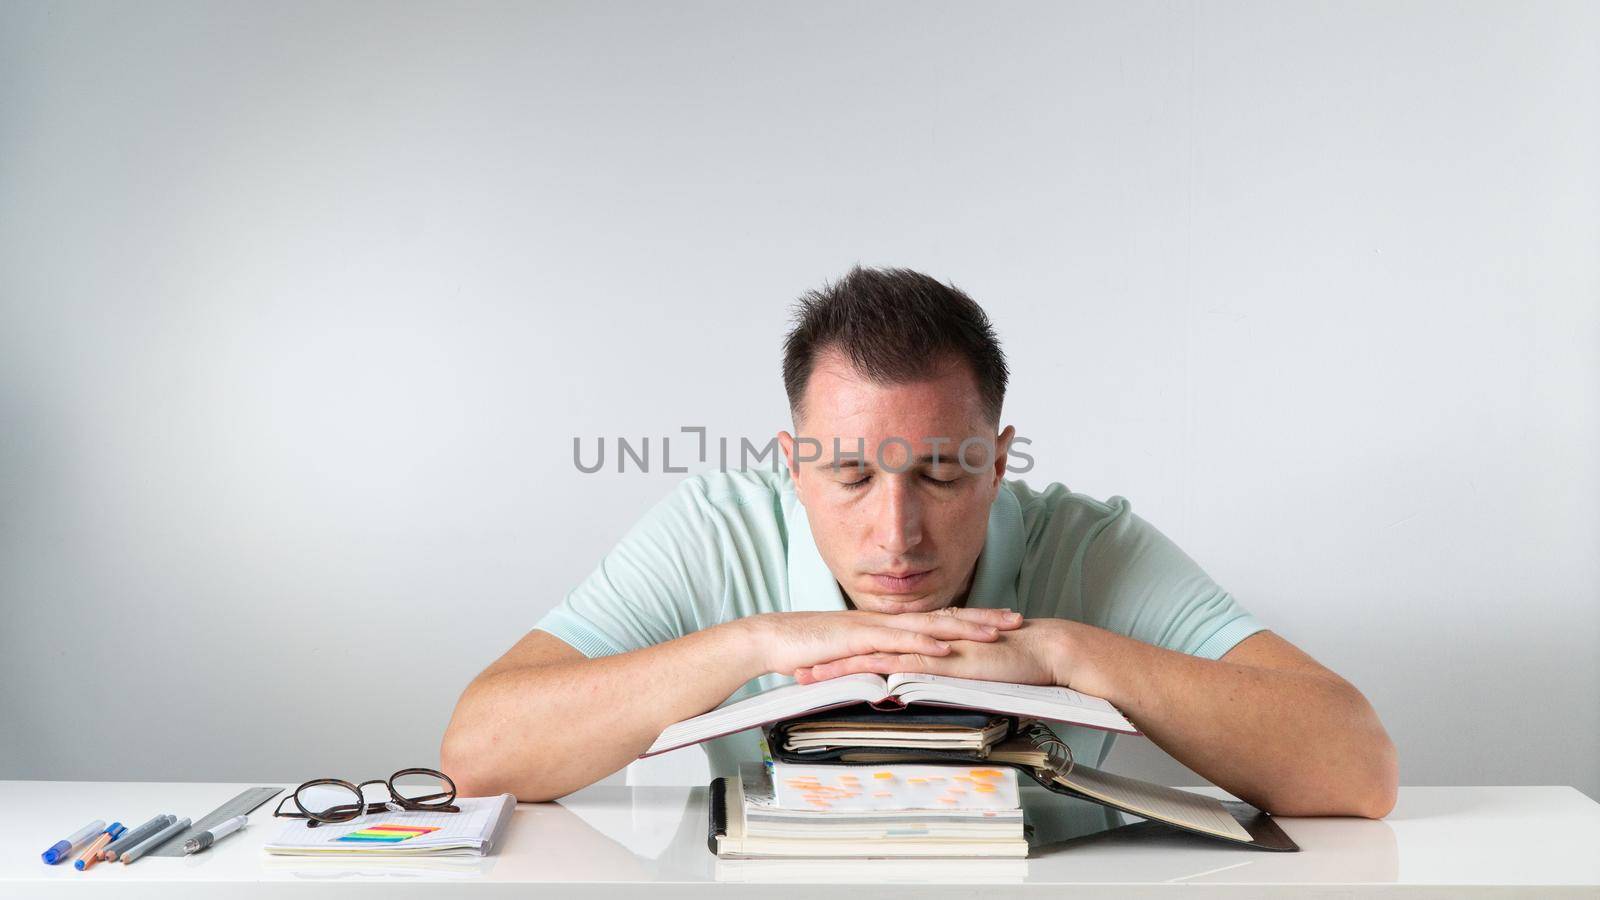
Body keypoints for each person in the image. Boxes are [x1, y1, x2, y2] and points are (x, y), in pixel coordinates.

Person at [441, 266, 1398, 817]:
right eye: (851, 476)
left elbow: (1357, 769)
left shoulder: (1087, 544)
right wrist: (752, 645)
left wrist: (1064, 651)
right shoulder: (714, 530)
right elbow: (480, 754)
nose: (895, 535)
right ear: (793, 467)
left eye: (941, 475)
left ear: (998, 462)